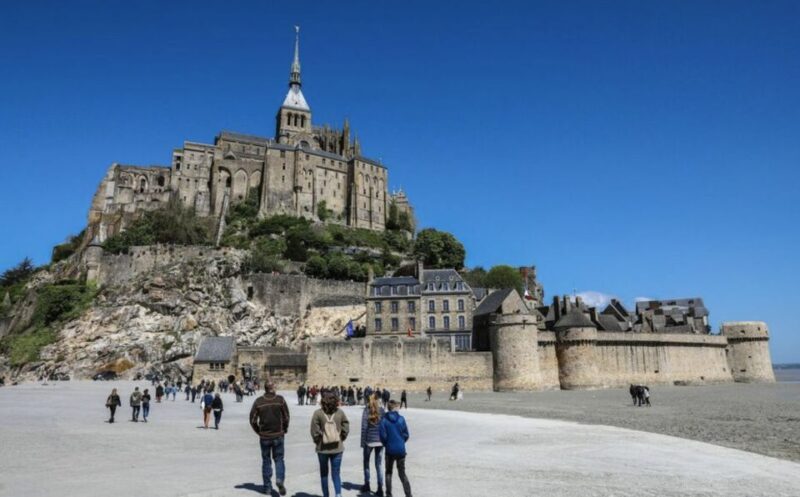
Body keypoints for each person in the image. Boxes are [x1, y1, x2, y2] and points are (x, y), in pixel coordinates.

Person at [250, 382, 291, 496]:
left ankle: (267, 488)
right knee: (279, 459)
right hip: (278, 435)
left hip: (265, 437)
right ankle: (279, 479)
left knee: (266, 461)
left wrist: (258, 431)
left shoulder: (259, 401)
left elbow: (252, 420)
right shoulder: (280, 400)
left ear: (265, 389)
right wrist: (285, 429)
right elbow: (286, 417)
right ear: (273, 388)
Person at [311, 392, 349, 497]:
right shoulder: (340, 413)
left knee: (324, 474)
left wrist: (318, 441)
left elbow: (314, 431)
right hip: (337, 448)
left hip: (322, 448)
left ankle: (326, 495)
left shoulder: (317, 413)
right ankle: (338, 494)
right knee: (336, 473)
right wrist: (341, 438)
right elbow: (346, 427)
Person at [379, 400, 412, 497]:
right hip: (400, 450)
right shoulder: (401, 419)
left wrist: (387, 444)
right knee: (402, 473)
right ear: (394, 408)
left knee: (388, 472)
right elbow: (406, 434)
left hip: (389, 450)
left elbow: (382, 436)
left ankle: (389, 494)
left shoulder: (384, 420)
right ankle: (408, 494)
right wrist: (401, 442)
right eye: (397, 407)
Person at [361, 394, 385, 496]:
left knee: (366, 462)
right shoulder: (382, 411)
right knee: (378, 464)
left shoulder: (367, 410)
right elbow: (384, 426)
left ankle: (367, 484)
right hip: (380, 441)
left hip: (369, 441)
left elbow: (364, 427)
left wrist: (363, 442)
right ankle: (380, 488)